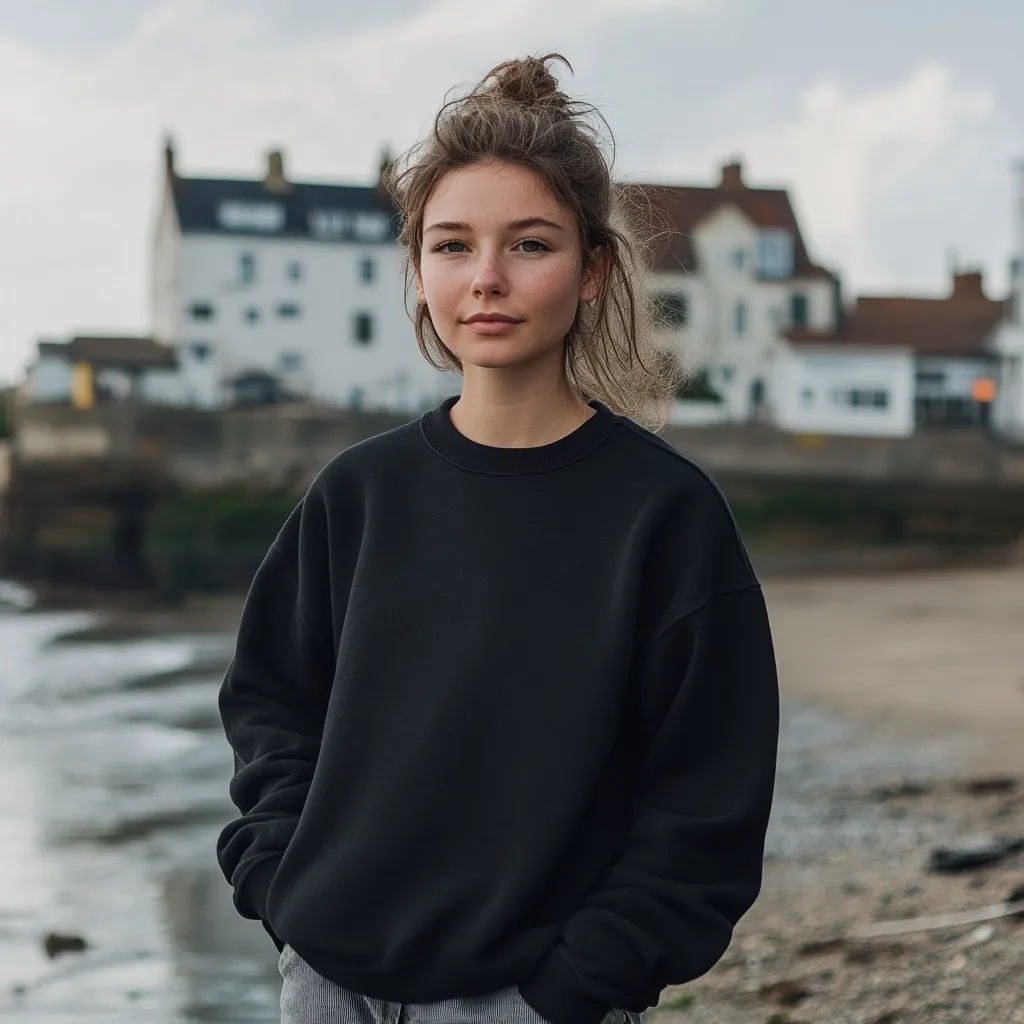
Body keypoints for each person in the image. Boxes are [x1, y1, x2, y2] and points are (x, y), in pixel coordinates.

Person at [216, 53, 780, 1024]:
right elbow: (271, 702)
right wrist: (282, 885)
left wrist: (573, 986)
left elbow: (706, 799)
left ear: (593, 269)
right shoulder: (359, 494)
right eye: (451, 246)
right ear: (417, 270)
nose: (485, 279)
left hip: (533, 999)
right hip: (330, 982)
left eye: (528, 244)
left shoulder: (664, 515)